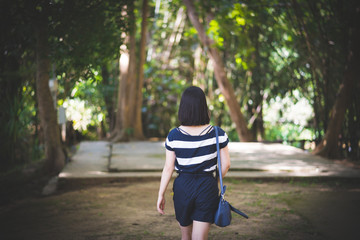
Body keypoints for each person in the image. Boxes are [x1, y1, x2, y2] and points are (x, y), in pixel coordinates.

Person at [157, 86, 230, 240]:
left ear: (183, 108)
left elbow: (169, 167)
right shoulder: (217, 133)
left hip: (183, 186)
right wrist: (215, 180)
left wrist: (161, 194)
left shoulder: (174, 135)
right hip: (207, 185)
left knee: (186, 236)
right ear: (203, 107)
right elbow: (226, 164)